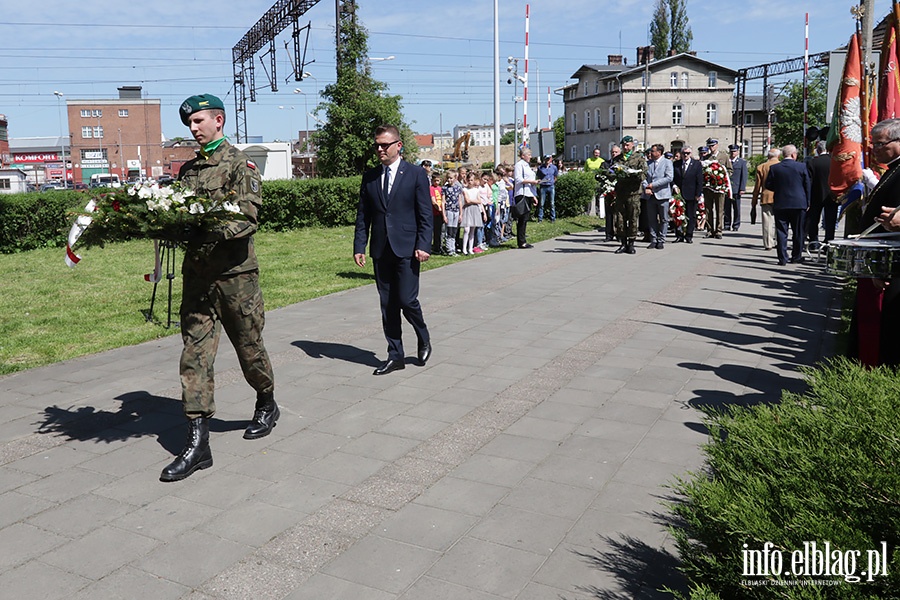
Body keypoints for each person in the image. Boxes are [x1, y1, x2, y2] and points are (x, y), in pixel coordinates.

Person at [160, 93, 277, 482]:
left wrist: (207, 229)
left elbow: (246, 218)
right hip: (198, 279)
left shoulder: (239, 165)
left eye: (198, 121)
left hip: (235, 278)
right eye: (189, 124)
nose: (193, 129)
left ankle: (266, 401)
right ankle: (198, 444)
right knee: (194, 356)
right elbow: (180, 214)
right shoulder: (188, 171)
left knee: (249, 349)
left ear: (219, 121)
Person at [354, 124, 432, 376]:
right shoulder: (370, 177)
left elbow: (425, 214)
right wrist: (359, 246)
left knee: (407, 300)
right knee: (388, 304)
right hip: (380, 249)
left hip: (408, 248)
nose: (379, 149)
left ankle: (423, 335)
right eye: (376, 145)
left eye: (384, 145)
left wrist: (423, 244)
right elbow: (363, 215)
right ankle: (395, 355)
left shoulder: (415, 174)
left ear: (398, 145)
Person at [850, 118, 900, 366]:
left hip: (891, 268)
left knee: (887, 337)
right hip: (878, 262)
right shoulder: (894, 169)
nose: (875, 149)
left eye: (880, 144)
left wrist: (884, 268)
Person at [765, 144, 810, 265]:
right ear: (794, 154)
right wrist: (808, 202)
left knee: (781, 231)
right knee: (798, 231)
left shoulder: (775, 168)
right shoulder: (801, 167)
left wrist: (780, 189)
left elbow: (768, 185)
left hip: (781, 203)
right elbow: (807, 185)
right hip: (799, 203)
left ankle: (782, 258)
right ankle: (796, 256)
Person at [610, 135, 648, 254]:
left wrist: (635, 175)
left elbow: (644, 174)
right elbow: (613, 172)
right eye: (623, 145)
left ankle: (631, 243)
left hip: (634, 193)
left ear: (632, 145)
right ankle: (623, 243)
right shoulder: (618, 159)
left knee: (633, 218)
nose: (625, 148)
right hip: (621, 192)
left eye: (627, 145)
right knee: (620, 219)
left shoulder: (639, 158)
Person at [642, 143, 674, 249]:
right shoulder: (648, 164)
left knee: (664, 218)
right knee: (652, 219)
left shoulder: (667, 162)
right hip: (650, 195)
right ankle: (653, 239)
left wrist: (653, 185)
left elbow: (669, 177)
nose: (651, 153)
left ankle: (661, 239)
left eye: (653, 151)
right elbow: (643, 177)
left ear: (659, 152)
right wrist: (647, 187)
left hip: (662, 194)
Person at [806, 140, 836, 250]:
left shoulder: (812, 162)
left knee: (814, 220)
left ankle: (814, 242)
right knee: (830, 221)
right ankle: (828, 243)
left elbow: (809, 181)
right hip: (831, 196)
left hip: (816, 195)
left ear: (818, 150)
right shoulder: (834, 161)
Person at [751, 148, 781, 250]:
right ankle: (779, 241)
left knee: (767, 221)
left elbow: (757, 187)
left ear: (768, 156)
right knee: (780, 221)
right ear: (778, 156)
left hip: (766, 196)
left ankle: (768, 243)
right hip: (780, 196)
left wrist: (754, 201)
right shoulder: (782, 166)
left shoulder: (761, 167)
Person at [672, 145, 704, 243]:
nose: (685, 155)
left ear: (691, 154)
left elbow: (699, 180)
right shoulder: (676, 164)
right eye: (684, 153)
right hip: (679, 194)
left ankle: (689, 235)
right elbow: (671, 178)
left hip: (691, 193)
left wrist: (698, 194)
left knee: (691, 215)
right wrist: (674, 186)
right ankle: (679, 235)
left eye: (688, 153)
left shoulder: (696, 164)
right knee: (678, 214)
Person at [701, 139, 731, 238]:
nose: (711, 148)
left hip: (719, 187)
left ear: (717, 145)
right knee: (708, 209)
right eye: (709, 146)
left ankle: (719, 230)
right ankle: (710, 230)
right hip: (708, 188)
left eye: (713, 145)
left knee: (720, 209)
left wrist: (722, 177)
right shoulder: (706, 157)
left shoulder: (724, 156)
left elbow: (730, 170)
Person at [513, 147, 540, 249]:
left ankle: (523, 239)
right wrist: (532, 182)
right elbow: (518, 179)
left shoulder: (527, 166)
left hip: (528, 193)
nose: (530, 156)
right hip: (522, 194)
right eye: (528, 154)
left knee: (525, 218)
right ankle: (521, 241)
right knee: (522, 218)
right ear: (523, 156)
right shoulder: (519, 165)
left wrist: (533, 196)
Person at [725, 144, 747, 231]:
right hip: (727, 188)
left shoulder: (741, 162)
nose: (733, 153)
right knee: (726, 208)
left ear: (738, 152)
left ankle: (736, 225)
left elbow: (744, 176)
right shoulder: (727, 161)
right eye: (731, 151)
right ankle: (727, 224)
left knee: (736, 208)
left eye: (734, 151)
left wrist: (742, 188)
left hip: (736, 189)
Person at [441, 171, 462, 256]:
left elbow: (459, 201)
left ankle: (453, 248)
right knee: (449, 230)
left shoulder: (458, 188)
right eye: (448, 178)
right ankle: (449, 248)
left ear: (455, 178)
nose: (449, 180)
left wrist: (461, 213)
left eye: (451, 178)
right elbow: (443, 202)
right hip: (449, 210)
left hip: (456, 211)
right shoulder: (445, 188)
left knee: (454, 230)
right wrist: (444, 215)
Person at [584, 147, 606, 217]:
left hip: (598, 181)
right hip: (590, 180)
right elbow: (585, 170)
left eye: (598, 153)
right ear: (593, 153)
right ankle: (587, 211)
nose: (597, 154)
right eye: (596, 153)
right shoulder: (588, 160)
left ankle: (598, 212)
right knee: (589, 196)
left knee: (598, 197)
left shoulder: (602, 161)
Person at [537, 154, 558, 222]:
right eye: (546, 159)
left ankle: (553, 218)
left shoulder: (554, 167)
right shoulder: (540, 168)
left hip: (551, 186)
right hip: (543, 186)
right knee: (541, 203)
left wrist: (553, 182)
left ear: (551, 159)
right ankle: (540, 218)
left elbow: (555, 176)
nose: (547, 160)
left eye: (549, 159)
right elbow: (538, 177)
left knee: (552, 203)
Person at [429, 174, 444, 254]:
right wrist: (439, 209)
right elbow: (433, 201)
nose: (436, 182)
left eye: (438, 180)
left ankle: (438, 246)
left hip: (440, 213)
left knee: (439, 231)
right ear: (432, 180)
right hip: (435, 213)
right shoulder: (431, 188)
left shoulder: (440, 189)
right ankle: (435, 247)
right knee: (434, 231)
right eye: (435, 181)